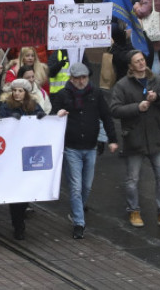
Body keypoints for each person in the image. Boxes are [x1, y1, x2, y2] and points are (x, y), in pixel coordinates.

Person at [109, 50, 160, 228]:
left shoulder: (156, 80)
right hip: (135, 138)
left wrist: (158, 98)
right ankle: (134, 210)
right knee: (133, 179)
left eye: (142, 60)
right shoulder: (122, 85)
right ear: (130, 66)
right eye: (137, 61)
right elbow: (115, 110)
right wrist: (137, 107)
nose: (141, 63)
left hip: (156, 136)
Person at [51, 63, 118, 239]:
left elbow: (106, 116)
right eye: (78, 78)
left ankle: (76, 211)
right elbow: (52, 115)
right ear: (71, 79)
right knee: (75, 187)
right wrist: (58, 114)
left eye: (84, 77)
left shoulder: (95, 94)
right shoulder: (63, 95)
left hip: (90, 147)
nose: (81, 81)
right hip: (72, 147)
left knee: (86, 186)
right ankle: (79, 223)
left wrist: (112, 139)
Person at [0, 79, 46, 239]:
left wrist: (41, 117)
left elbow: (43, 122)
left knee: (26, 192)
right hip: (12, 156)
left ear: (26, 93)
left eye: (20, 91)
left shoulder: (33, 106)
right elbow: (0, 123)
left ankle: (20, 216)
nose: (17, 93)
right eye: (15, 90)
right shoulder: (6, 107)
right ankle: (18, 224)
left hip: (29, 154)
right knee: (15, 193)